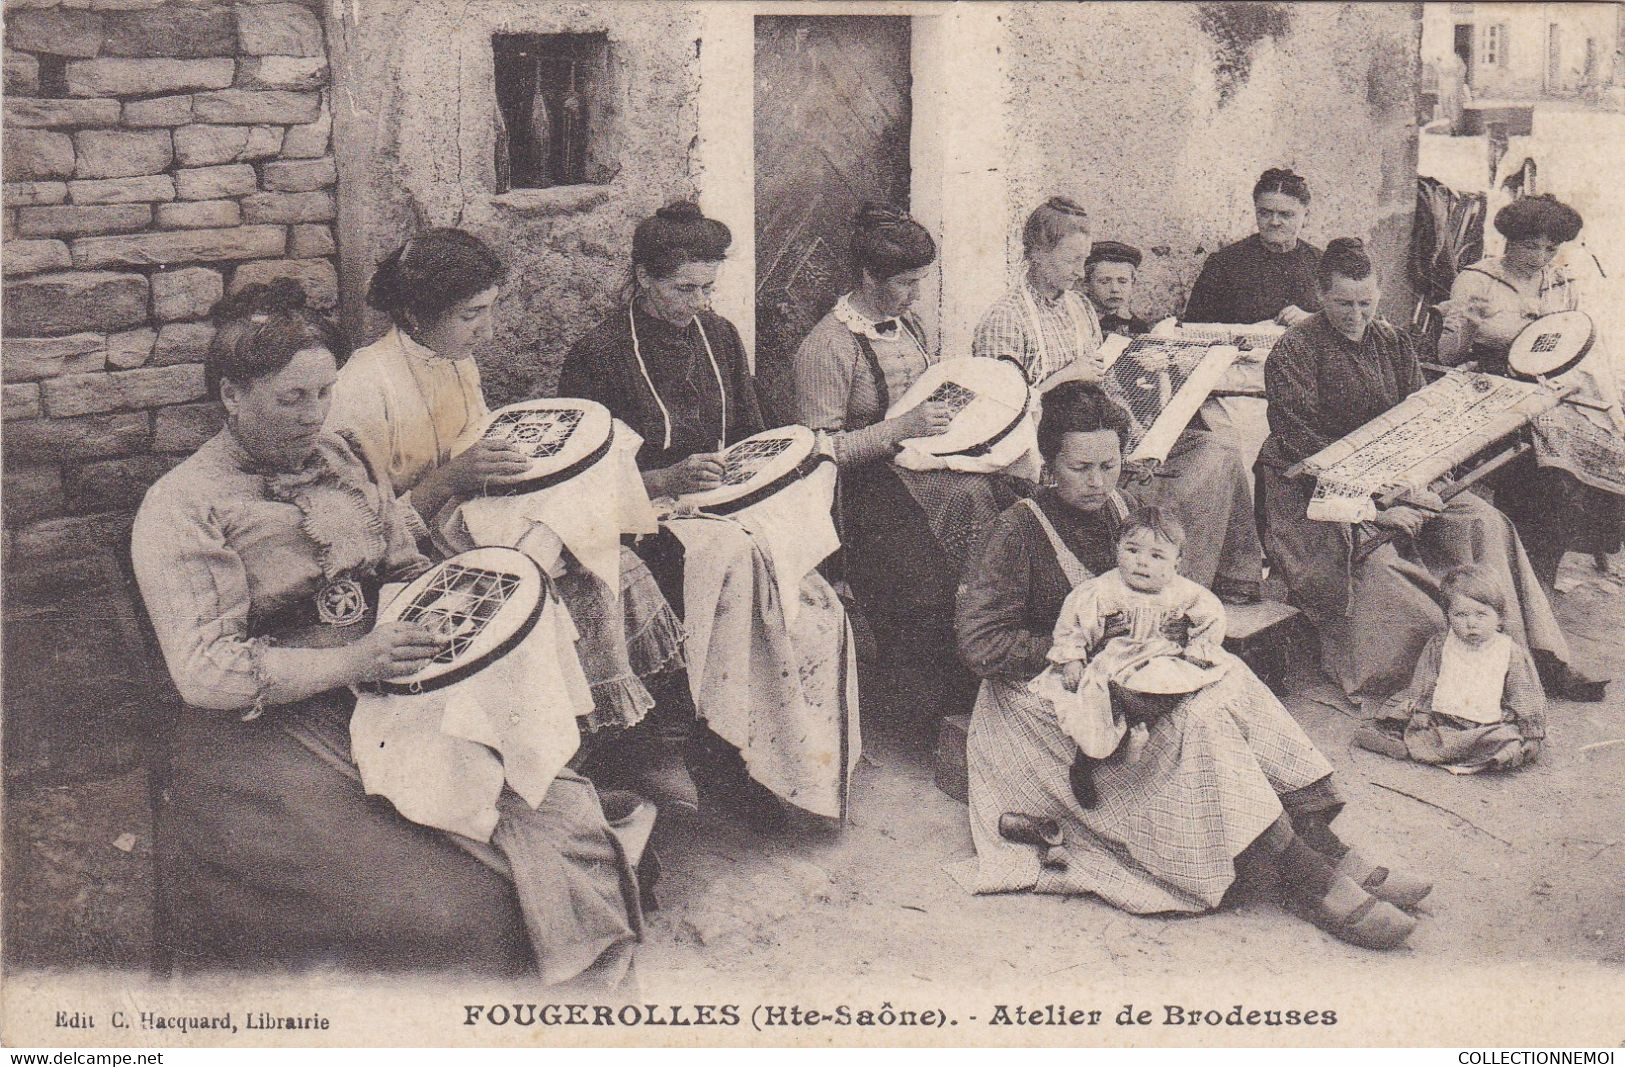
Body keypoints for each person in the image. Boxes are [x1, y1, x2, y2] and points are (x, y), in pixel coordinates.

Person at [130, 282, 644, 980]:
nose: (314, 416)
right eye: (291, 399)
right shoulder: (183, 505)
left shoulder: (345, 455)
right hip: (267, 733)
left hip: (386, 683)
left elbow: (403, 557)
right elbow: (204, 672)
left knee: (551, 813)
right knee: (461, 899)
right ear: (230, 397)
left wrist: (471, 602)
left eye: (324, 393)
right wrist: (356, 657)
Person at [955, 381, 1429, 950]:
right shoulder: (1018, 530)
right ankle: (1305, 879)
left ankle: (1321, 841)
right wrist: (1090, 653)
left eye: (1110, 465)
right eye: (1080, 467)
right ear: (1049, 461)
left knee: (1230, 679)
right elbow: (982, 645)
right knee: (1193, 725)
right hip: (1040, 696)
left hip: (1126, 673)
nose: (1098, 482)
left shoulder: (1123, 511)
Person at [560, 201, 860, 828]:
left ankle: (795, 769)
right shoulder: (600, 352)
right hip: (645, 520)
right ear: (643, 276)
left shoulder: (719, 335)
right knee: (735, 563)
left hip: (727, 506)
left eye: (706, 286)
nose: (695, 300)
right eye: (682, 287)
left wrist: (763, 471)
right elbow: (583, 482)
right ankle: (728, 758)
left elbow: (750, 432)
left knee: (811, 597)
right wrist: (667, 478)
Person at [327, 228, 686, 749]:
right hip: (408, 565)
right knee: (550, 598)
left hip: (476, 532)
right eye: (471, 315)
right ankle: (557, 754)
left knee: (610, 564)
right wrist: (450, 480)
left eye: (490, 310)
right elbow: (366, 536)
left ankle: (610, 742)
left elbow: (480, 448)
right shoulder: (363, 386)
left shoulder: (457, 362)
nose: (487, 331)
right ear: (415, 314)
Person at [1257, 237, 1603, 702]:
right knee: (1381, 564)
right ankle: (1439, 675)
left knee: (1484, 523)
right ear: (1319, 296)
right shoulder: (1294, 351)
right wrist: (1375, 508)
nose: (1356, 314)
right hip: (1315, 493)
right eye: (1343, 303)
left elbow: (1423, 419)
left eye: (1366, 301)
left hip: (1402, 478)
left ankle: (1530, 657)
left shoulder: (1392, 340)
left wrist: (1424, 480)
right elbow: (1301, 447)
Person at [788, 204, 1020, 721]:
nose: (916, 295)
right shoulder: (827, 346)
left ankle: (995, 678)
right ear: (869, 277)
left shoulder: (906, 324)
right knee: (930, 572)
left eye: (921, 282)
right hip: (856, 493)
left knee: (1009, 499)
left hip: (916, 465)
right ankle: (929, 707)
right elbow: (816, 455)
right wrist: (898, 430)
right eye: (905, 283)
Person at [974, 196, 1263, 601]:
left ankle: (1233, 581)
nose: (1080, 271)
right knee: (1179, 485)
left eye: (1083, 259)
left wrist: (1141, 434)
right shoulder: (1006, 318)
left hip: (1102, 432)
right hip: (1047, 450)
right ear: (1038, 254)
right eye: (1072, 259)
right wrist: (1065, 376)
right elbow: (993, 415)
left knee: (1217, 450)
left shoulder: (1077, 307)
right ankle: (1164, 594)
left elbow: (1106, 384)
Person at [1436, 194, 1623, 586]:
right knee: (1547, 476)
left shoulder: (1561, 283)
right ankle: (1524, 578)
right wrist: (1469, 324)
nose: (1540, 257)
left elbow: (1575, 344)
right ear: (1509, 240)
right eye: (1530, 245)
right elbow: (1448, 356)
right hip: (1488, 386)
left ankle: (1542, 572)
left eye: (1550, 248)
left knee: (1599, 457)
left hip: (1550, 389)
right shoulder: (1478, 280)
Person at [1034, 506, 1230, 806]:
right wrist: (1072, 658)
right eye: (1132, 550)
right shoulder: (1102, 590)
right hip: (1115, 661)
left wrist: (1197, 652)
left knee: (1168, 686)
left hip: (1161, 660)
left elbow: (1212, 618)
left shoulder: (1186, 593)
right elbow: (1073, 624)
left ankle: (1134, 729)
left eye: (1157, 555)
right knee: (1093, 701)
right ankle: (1085, 764)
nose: (1142, 562)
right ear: (1117, 550)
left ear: (1177, 562)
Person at [1355, 567, 1546, 773]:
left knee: (1508, 739)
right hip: (1443, 717)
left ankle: (1427, 749)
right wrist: (1420, 713)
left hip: (1486, 724)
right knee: (1412, 721)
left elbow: (1523, 694)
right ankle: (1395, 740)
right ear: (1448, 616)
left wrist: (1532, 733)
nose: (1471, 623)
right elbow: (1425, 683)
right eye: (1460, 615)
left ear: (1499, 617)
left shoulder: (1509, 652)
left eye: (1481, 614)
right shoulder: (1440, 645)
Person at [1184, 167, 1323, 327]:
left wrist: (1311, 321)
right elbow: (1192, 328)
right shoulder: (1224, 264)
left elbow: (1348, 329)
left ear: (1306, 217)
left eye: (1285, 215)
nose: (1274, 222)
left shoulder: (1322, 264)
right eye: (1265, 213)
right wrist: (1246, 332)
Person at [1084, 240, 1152, 336]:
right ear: (1086, 283)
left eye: (1122, 281)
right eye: (1104, 281)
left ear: (1132, 283)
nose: (1114, 289)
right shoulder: (1076, 323)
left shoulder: (1136, 327)